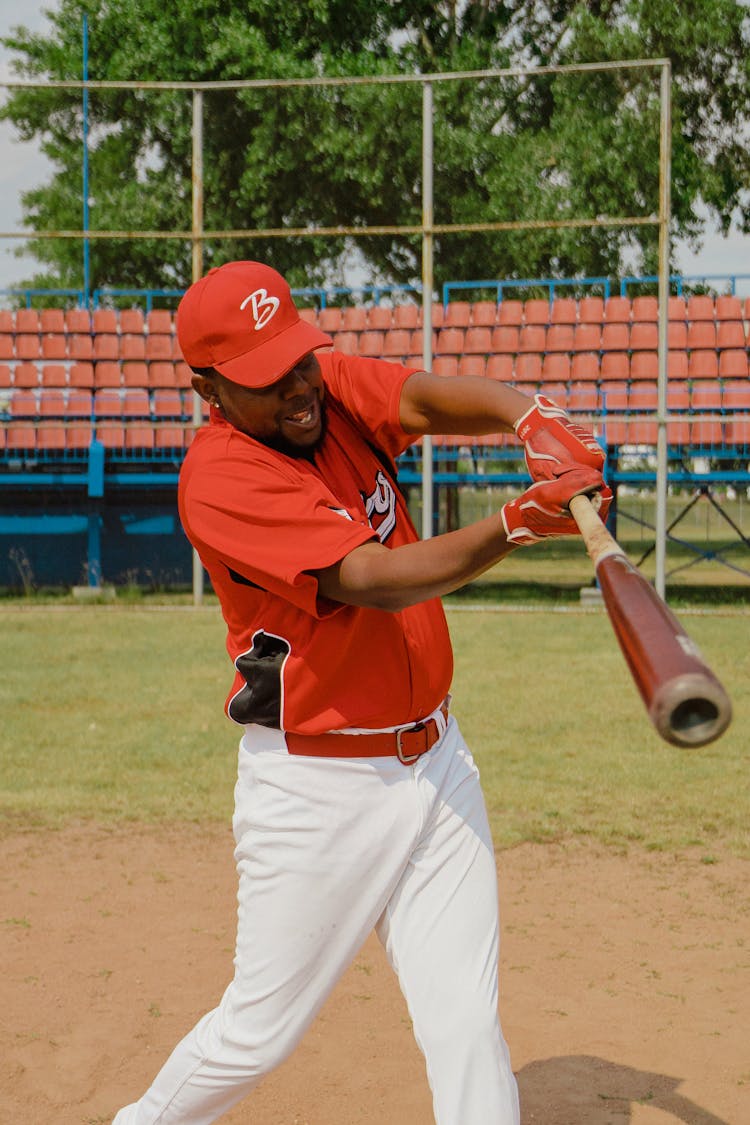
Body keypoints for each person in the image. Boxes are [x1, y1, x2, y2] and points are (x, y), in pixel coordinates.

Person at [113, 260, 610, 1125]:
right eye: (269, 380)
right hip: (320, 788)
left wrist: (524, 413)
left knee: (465, 1022)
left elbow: (416, 400)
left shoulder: (321, 384)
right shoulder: (222, 478)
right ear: (209, 389)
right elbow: (373, 577)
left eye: (300, 359)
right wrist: (517, 522)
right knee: (257, 1034)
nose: (300, 387)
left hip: (438, 762)